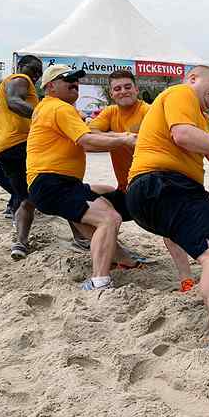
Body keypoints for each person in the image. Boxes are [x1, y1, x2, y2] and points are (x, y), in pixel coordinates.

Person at [126, 65, 209, 349]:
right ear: (193, 79)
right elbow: (183, 136)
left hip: (177, 192)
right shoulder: (181, 93)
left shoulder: (203, 117)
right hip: (160, 185)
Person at [26, 65, 139, 290]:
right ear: (50, 86)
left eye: (77, 80)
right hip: (52, 183)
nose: (74, 83)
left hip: (50, 183)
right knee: (110, 218)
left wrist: (121, 137)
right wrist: (125, 140)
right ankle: (99, 280)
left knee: (98, 201)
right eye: (68, 80)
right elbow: (87, 141)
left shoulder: (48, 107)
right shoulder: (60, 108)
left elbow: (89, 138)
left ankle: (124, 260)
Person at [89, 70, 197, 293]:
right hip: (126, 191)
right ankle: (122, 258)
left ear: (136, 89)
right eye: (117, 88)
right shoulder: (110, 113)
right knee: (80, 207)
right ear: (111, 94)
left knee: (169, 228)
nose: (123, 91)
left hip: (155, 184)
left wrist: (116, 137)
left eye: (127, 86)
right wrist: (123, 137)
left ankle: (187, 280)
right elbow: (88, 134)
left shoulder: (149, 111)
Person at [0, 55, 42, 259]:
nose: (36, 75)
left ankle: (20, 243)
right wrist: (44, 114)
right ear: (20, 66)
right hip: (20, 144)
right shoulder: (21, 79)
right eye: (34, 69)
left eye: (39, 72)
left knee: (26, 196)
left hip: (2, 148)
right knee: (52, 186)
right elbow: (14, 102)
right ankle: (80, 237)